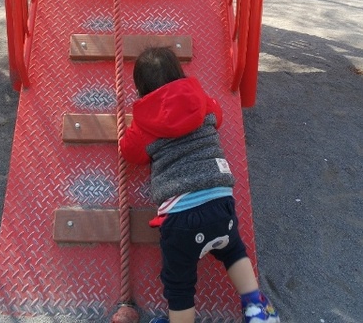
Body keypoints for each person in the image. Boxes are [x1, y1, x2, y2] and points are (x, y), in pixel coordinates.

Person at [120, 47, 280, 323]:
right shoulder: (200, 101)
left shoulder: (145, 121)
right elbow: (217, 117)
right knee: (233, 250)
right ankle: (258, 309)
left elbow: (130, 152)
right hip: (221, 203)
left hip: (181, 218)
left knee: (179, 284)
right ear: (180, 74)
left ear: (141, 90)